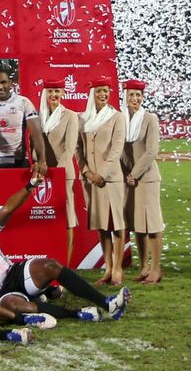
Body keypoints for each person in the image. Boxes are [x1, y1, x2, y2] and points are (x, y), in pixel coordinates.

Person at [0, 171, 131, 323]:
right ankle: (79, 314)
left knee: (51, 266)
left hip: (16, 273)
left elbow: (8, 208)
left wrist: (30, 185)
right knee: (20, 307)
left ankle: (107, 302)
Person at [76, 77, 127, 285]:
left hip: (110, 179)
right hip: (92, 180)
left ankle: (117, 269)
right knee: (101, 226)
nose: (103, 95)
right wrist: (87, 172)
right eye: (99, 91)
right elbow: (78, 149)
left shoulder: (116, 117)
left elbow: (117, 148)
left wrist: (102, 174)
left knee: (117, 224)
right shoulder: (83, 118)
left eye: (106, 91)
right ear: (92, 94)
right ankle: (107, 268)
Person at [120, 79, 164, 284]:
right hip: (131, 180)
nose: (135, 99)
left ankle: (156, 268)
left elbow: (151, 151)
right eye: (131, 95)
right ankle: (144, 266)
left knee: (152, 225)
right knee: (138, 225)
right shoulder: (122, 120)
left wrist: (134, 173)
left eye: (138, 95)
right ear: (125, 96)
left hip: (147, 178)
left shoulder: (150, 119)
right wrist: (128, 174)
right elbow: (121, 150)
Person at [37, 79, 80, 265]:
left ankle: (67, 265)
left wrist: (57, 172)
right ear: (45, 93)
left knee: (67, 215)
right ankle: (50, 261)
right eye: (50, 91)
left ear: (63, 93)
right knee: (47, 215)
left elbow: (69, 149)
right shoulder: (39, 116)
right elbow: (35, 146)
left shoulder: (70, 116)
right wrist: (40, 165)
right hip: (43, 175)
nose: (54, 95)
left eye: (57, 91)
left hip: (63, 174)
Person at [0, 64, 47, 174]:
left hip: (19, 162)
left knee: (23, 191)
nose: (0, 87)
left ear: (10, 82)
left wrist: (42, 160)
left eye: (3, 82)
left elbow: (36, 135)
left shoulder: (23, 102)